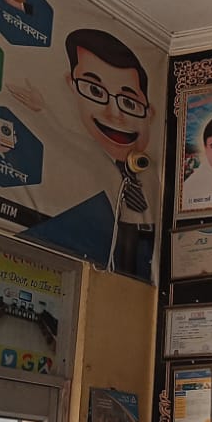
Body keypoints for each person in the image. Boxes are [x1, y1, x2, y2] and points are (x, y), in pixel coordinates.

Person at [61, 28, 157, 273]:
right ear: (72, 86)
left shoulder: (152, 172)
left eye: (129, 102)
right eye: (95, 91)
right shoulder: (83, 164)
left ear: (150, 114)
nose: (114, 113)